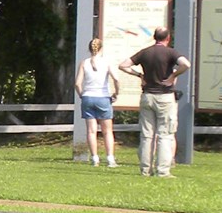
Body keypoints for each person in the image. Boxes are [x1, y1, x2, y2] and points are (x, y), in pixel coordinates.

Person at [119, 27, 190, 177]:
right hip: (165, 97)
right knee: (165, 134)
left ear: (154, 37)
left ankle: (145, 170)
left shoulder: (145, 52)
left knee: (146, 135)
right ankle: (163, 171)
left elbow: (123, 65)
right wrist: (173, 75)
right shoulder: (171, 53)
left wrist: (140, 75)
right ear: (168, 38)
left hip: (147, 96)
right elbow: (186, 64)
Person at [75, 38, 119, 167]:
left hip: (88, 97)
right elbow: (116, 78)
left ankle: (95, 158)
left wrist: (82, 95)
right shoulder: (106, 62)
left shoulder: (84, 63)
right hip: (103, 97)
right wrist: (116, 93)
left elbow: (77, 84)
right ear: (101, 48)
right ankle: (110, 158)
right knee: (107, 131)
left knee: (91, 131)